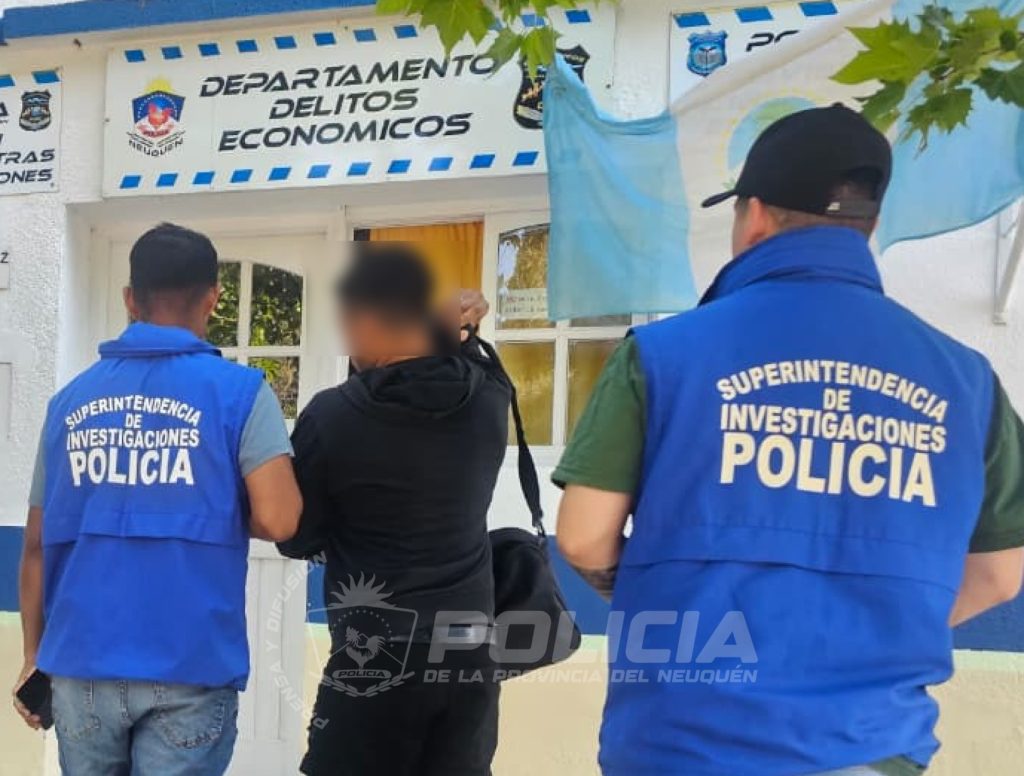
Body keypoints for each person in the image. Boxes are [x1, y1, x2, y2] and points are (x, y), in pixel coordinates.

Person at [553, 105, 1024, 776]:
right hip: (871, 746)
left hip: (686, 744)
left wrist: (657, 600)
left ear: (754, 217)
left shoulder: (664, 355)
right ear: (870, 226)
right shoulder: (967, 382)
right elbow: (1000, 576)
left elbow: (582, 536)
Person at [13, 223, 302, 775]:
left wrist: (33, 655)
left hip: (81, 667)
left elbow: (35, 544)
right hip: (189, 665)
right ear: (213, 299)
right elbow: (280, 518)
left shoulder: (68, 404)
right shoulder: (241, 393)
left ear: (130, 299)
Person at [278, 243, 510, 776]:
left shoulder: (333, 416)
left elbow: (296, 536)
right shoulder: (491, 395)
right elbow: (462, 359)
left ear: (363, 318)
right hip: (469, 653)